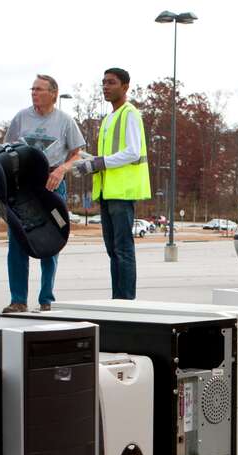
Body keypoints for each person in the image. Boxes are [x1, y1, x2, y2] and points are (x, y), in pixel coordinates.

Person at [2, 74, 85, 313]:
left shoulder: (65, 121)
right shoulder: (21, 118)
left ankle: (47, 298)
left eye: (39, 89)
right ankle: (18, 299)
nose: (34, 93)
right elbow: (7, 148)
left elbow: (77, 154)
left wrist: (62, 169)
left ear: (54, 94)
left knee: (51, 240)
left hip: (52, 185)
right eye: (33, 89)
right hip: (23, 188)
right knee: (17, 241)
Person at [77, 68, 151, 300]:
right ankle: (117, 299)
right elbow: (110, 156)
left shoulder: (130, 114)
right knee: (113, 250)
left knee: (123, 250)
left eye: (111, 82)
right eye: (103, 83)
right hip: (107, 192)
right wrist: (89, 161)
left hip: (122, 192)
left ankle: (126, 301)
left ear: (125, 86)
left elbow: (131, 152)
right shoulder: (108, 118)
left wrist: (100, 163)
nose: (106, 87)